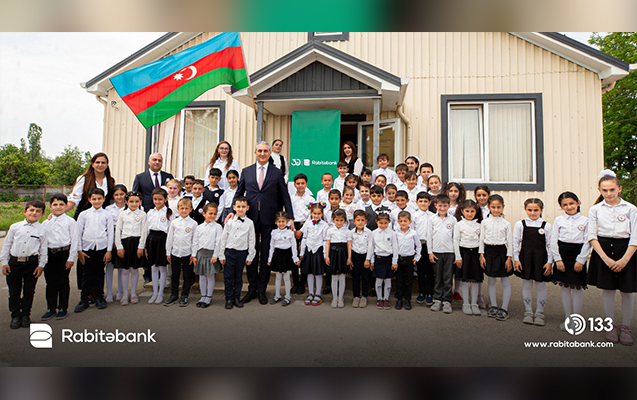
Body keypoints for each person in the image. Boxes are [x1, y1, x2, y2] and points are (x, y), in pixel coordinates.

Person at [232, 141, 295, 305]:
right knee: (251, 254)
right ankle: (252, 289)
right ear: (255, 153)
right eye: (259, 151)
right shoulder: (246, 171)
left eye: (265, 151)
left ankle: (262, 290)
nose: (262, 154)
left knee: (266, 255)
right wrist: (232, 211)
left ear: (269, 153)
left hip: (269, 219)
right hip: (251, 219)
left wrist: (290, 217)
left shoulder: (276, 172)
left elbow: (285, 195)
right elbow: (239, 192)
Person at [587, 171, 637, 345]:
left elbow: (635, 237)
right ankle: (610, 324)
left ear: (619, 189)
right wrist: (605, 259)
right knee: (608, 290)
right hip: (603, 251)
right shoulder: (595, 209)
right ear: (599, 190)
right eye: (605, 190)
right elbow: (592, 236)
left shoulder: (631, 209)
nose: (608, 194)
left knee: (626, 291)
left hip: (627, 251)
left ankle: (626, 327)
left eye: (612, 190)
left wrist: (624, 260)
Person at [66, 152, 116, 294]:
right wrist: (60, 211)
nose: (100, 165)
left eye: (103, 162)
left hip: (102, 218)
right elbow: (74, 199)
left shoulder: (110, 180)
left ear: (107, 165)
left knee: (99, 257)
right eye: (97, 162)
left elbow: (111, 201)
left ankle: (97, 292)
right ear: (92, 164)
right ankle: (86, 292)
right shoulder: (84, 179)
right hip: (85, 216)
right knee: (84, 255)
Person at [1, 200, 47, 329]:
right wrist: (4, 262)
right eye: (31, 210)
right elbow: (7, 244)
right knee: (14, 292)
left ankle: (26, 315)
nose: (34, 213)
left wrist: (41, 265)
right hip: (14, 263)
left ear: (42, 214)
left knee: (29, 291)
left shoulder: (43, 230)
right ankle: (15, 316)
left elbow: (43, 249)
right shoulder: (15, 227)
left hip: (31, 263)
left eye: (38, 211)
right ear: (25, 211)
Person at [550, 191, 591, 332]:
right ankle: (568, 318)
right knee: (565, 287)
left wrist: (581, 260)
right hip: (563, 255)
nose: (569, 207)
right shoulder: (558, 220)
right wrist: (558, 259)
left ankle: (576, 319)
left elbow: (588, 241)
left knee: (577, 287)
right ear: (561, 206)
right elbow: (553, 241)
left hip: (578, 255)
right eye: (565, 205)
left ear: (578, 202)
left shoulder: (586, 221)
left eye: (572, 203)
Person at [513, 198, 553, 326]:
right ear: (525, 209)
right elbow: (515, 243)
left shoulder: (546, 226)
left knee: (540, 285)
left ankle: (540, 312)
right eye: (529, 210)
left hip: (541, 258)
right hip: (525, 257)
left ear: (541, 210)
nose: (532, 213)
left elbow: (551, 245)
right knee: (526, 284)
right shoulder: (520, 224)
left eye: (536, 210)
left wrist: (550, 262)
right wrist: (516, 259)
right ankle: (528, 311)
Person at [74, 188, 114, 313]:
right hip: (86, 248)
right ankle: (84, 299)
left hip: (101, 248)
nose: (97, 201)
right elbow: (78, 233)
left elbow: (110, 233)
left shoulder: (107, 215)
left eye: (99, 199)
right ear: (89, 200)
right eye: (94, 199)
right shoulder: (84, 214)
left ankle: (99, 297)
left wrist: (108, 251)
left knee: (99, 273)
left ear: (104, 199)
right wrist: (79, 250)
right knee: (86, 274)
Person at [41, 194, 78, 321]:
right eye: (55, 204)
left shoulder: (70, 222)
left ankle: (63, 307)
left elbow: (74, 240)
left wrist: (71, 258)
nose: (58, 207)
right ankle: (51, 308)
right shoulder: (46, 223)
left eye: (61, 204)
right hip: (50, 254)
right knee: (50, 282)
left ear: (66, 206)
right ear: (50, 206)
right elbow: (43, 242)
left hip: (64, 254)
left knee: (63, 281)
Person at [479, 194, 513, 321]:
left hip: (502, 252)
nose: (496, 210)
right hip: (489, 252)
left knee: (505, 280)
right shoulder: (484, 222)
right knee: (491, 280)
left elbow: (510, 242)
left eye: (498, 207)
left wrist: (509, 258)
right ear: (489, 207)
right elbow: (481, 239)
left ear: (503, 207)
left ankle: (504, 308)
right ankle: (493, 305)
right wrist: (482, 255)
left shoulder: (506, 224)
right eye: (493, 207)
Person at [219, 196, 256, 310]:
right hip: (229, 252)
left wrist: (250, 255)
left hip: (242, 252)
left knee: (238, 277)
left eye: (243, 206)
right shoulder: (229, 221)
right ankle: (229, 298)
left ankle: (237, 298)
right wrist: (221, 254)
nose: (241, 209)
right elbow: (223, 238)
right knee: (228, 277)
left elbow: (251, 240)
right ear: (234, 207)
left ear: (247, 208)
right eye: (238, 206)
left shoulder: (249, 223)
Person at [114, 191, 147, 306]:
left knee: (134, 269)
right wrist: (119, 246)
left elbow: (144, 231)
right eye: (131, 201)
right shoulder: (122, 215)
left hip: (136, 243)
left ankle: (133, 292)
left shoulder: (143, 214)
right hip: (125, 243)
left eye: (136, 201)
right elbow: (118, 231)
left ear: (140, 202)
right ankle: (124, 293)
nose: (134, 204)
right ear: (126, 202)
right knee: (124, 270)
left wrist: (141, 247)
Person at [164, 198, 198, 307]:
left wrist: (193, 254)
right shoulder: (174, 222)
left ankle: (184, 295)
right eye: (182, 208)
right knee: (175, 275)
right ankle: (174, 295)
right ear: (178, 209)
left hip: (187, 253)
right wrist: (168, 252)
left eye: (186, 208)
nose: (184, 210)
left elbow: (195, 240)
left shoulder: (193, 224)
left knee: (187, 275)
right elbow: (170, 238)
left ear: (190, 209)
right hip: (175, 252)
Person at [453, 200, 484, 316]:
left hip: (475, 254)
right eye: (467, 211)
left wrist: (481, 255)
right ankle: (466, 303)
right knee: (464, 279)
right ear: (462, 211)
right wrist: (458, 257)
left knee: (475, 280)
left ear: (476, 212)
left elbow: (481, 241)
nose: (469, 214)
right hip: (463, 253)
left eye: (472, 211)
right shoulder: (459, 225)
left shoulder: (479, 225)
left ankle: (474, 303)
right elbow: (456, 241)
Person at [427, 195, 456, 314]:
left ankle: (447, 301)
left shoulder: (453, 220)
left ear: (449, 206)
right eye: (440, 206)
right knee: (438, 277)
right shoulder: (432, 219)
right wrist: (430, 252)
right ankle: (437, 299)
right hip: (436, 252)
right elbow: (429, 236)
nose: (442, 208)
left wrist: (456, 254)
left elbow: (455, 238)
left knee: (448, 278)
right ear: (435, 206)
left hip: (449, 252)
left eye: (445, 206)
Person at [145, 188, 173, 305]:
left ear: (165, 199)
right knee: (153, 267)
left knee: (162, 267)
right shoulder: (150, 212)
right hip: (152, 239)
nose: (157, 201)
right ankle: (155, 293)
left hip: (163, 240)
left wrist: (168, 248)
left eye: (160, 199)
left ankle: (161, 293)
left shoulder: (169, 213)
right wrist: (145, 246)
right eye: (155, 199)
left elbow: (170, 231)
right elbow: (146, 229)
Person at [193, 203, 223, 308]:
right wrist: (194, 255)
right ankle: (203, 296)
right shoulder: (199, 227)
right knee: (202, 276)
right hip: (201, 253)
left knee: (210, 276)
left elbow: (218, 242)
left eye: (215, 214)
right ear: (204, 214)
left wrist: (215, 255)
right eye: (210, 213)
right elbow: (195, 241)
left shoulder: (218, 227)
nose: (212, 216)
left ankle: (209, 297)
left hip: (211, 254)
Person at [367, 213, 398, 310]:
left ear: (389, 222)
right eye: (381, 223)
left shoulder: (392, 233)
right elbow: (371, 247)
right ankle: (379, 299)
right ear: (377, 222)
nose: (383, 225)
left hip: (388, 258)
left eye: (385, 223)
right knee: (379, 280)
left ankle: (386, 299)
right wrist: (371, 261)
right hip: (378, 259)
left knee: (388, 280)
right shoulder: (373, 233)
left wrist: (394, 262)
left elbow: (395, 248)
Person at [290, 173, 314, 294]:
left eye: (302, 183)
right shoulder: (291, 198)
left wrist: (301, 230)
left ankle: (302, 283)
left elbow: (312, 216)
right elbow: (288, 214)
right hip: (293, 227)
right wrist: (294, 230)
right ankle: (295, 282)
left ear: (306, 184)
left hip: (306, 227)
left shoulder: (310, 199)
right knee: (294, 254)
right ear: (294, 185)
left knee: (304, 255)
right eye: (298, 183)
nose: (300, 185)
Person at [300, 203, 329, 306]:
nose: (316, 215)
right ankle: (311, 293)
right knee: (309, 273)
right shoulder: (307, 224)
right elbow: (304, 238)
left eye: (319, 214)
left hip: (318, 250)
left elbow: (325, 240)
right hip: (309, 250)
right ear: (311, 213)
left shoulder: (325, 225)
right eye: (314, 213)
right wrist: (302, 252)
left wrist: (325, 254)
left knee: (318, 273)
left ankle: (318, 293)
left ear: (322, 214)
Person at [268, 211, 298, 307]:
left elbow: (294, 246)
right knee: (278, 277)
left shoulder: (290, 233)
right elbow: (271, 246)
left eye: (283, 221)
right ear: (276, 222)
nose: (281, 224)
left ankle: (287, 296)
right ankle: (277, 295)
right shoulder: (273, 232)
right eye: (279, 221)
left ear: (287, 222)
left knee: (286, 277)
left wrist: (295, 257)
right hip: (277, 255)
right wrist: (269, 259)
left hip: (287, 255)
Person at [325, 209, 352, 309]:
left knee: (342, 276)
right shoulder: (330, 230)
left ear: (344, 220)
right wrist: (327, 256)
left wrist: (349, 257)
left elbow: (349, 245)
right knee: (334, 277)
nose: (339, 222)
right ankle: (334, 298)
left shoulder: (347, 231)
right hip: (333, 254)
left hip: (343, 254)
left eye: (341, 220)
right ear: (333, 220)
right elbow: (328, 244)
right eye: (337, 220)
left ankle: (341, 298)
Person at [104, 184, 127, 303]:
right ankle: (109, 292)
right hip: (111, 237)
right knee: (110, 266)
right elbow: (107, 227)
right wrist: (112, 241)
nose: (119, 197)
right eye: (116, 194)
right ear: (113, 196)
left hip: (124, 237)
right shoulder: (108, 209)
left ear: (125, 195)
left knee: (121, 267)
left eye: (121, 194)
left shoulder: (129, 207)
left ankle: (120, 291)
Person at [395, 211, 421, 310]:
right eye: (401, 221)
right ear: (398, 222)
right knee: (399, 281)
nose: (403, 223)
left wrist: (416, 258)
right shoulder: (396, 233)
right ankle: (399, 299)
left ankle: (407, 300)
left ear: (410, 222)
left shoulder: (413, 233)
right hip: (399, 259)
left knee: (408, 281)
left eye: (405, 221)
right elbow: (394, 247)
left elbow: (418, 246)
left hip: (410, 259)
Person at [414, 192, 435, 306]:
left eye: (425, 201)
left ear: (429, 202)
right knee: (420, 271)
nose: (423, 203)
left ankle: (430, 293)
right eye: (421, 201)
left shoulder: (433, 216)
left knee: (430, 271)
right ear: (417, 202)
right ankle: (421, 292)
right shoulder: (414, 216)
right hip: (419, 246)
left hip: (430, 246)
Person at [351, 210, 372, 308]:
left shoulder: (369, 232)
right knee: (355, 277)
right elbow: (350, 246)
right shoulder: (351, 232)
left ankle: (364, 296)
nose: (360, 222)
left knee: (365, 277)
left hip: (365, 256)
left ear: (366, 221)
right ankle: (356, 296)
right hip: (355, 256)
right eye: (358, 220)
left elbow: (370, 246)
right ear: (354, 221)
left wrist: (368, 259)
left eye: (362, 220)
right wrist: (350, 259)